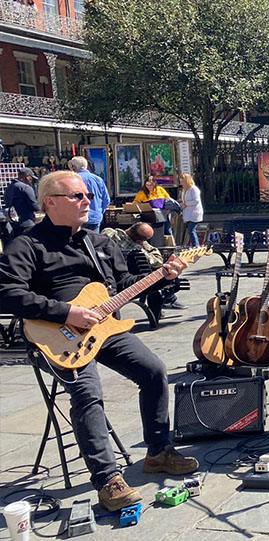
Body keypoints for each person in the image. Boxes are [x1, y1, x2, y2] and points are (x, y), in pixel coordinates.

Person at [0, 171, 197, 512]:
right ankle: (108, 480)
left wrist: (162, 276)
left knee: (154, 370)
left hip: (104, 329)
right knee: (88, 391)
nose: (87, 201)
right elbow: (5, 294)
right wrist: (65, 312)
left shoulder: (99, 243)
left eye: (86, 195)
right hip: (54, 337)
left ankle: (158, 451)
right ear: (50, 202)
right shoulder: (27, 245)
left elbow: (125, 284)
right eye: (77, 196)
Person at [102, 222, 185, 310]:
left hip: (112, 278)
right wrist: (142, 247)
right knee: (157, 279)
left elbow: (107, 233)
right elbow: (158, 261)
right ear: (140, 240)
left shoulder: (109, 233)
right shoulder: (138, 249)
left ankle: (169, 299)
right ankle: (169, 300)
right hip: (131, 279)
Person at [68, 156, 110, 232]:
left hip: (79, 218)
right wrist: (99, 212)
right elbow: (106, 200)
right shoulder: (98, 179)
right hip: (95, 218)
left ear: (73, 167)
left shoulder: (73, 179)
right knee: (94, 242)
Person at [2, 167, 39, 238]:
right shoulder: (26, 187)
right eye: (31, 178)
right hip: (27, 223)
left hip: (12, 224)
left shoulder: (8, 188)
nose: (31, 181)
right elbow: (34, 206)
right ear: (27, 177)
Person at [179, 173, 204, 247]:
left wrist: (186, 204)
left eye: (182, 180)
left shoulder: (194, 189)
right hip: (187, 213)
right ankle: (194, 245)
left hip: (194, 213)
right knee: (190, 230)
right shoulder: (184, 189)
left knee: (191, 230)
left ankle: (196, 246)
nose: (181, 182)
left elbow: (196, 201)